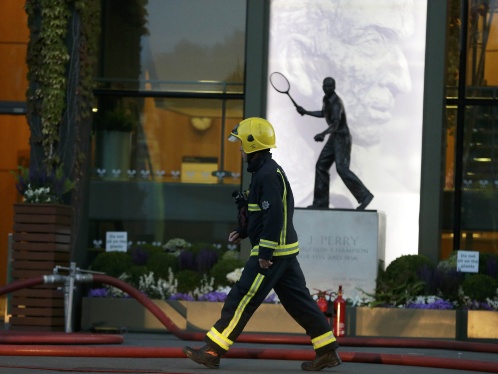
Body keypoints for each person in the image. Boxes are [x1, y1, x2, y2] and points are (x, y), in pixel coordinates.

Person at [182, 117, 342, 371]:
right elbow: (262, 212)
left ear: (251, 144)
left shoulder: (266, 175)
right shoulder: (267, 171)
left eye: (241, 144)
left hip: (272, 253)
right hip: (283, 252)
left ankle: (212, 350)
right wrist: (244, 230)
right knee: (299, 303)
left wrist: (265, 252)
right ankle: (327, 350)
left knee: (242, 297)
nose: (239, 149)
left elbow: (274, 215)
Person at [296, 77, 374, 210]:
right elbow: (324, 113)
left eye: (329, 86)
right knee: (321, 166)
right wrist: (306, 112)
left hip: (342, 137)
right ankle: (320, 202)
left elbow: (336, 124)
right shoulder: (326, 99)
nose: (327, 88)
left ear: (334, 87)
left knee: (342, 168)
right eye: (325, 86)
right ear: (323, 87)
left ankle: (364, 195)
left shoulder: (336, 103)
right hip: (334, 137)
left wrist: (322, 134)